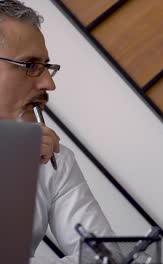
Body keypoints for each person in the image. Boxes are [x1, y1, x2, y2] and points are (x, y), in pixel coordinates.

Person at [0, 1, 114, 263]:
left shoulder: (52, 159)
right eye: (30, 65)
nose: (48, 83)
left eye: (46, 66)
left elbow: (107, 256)